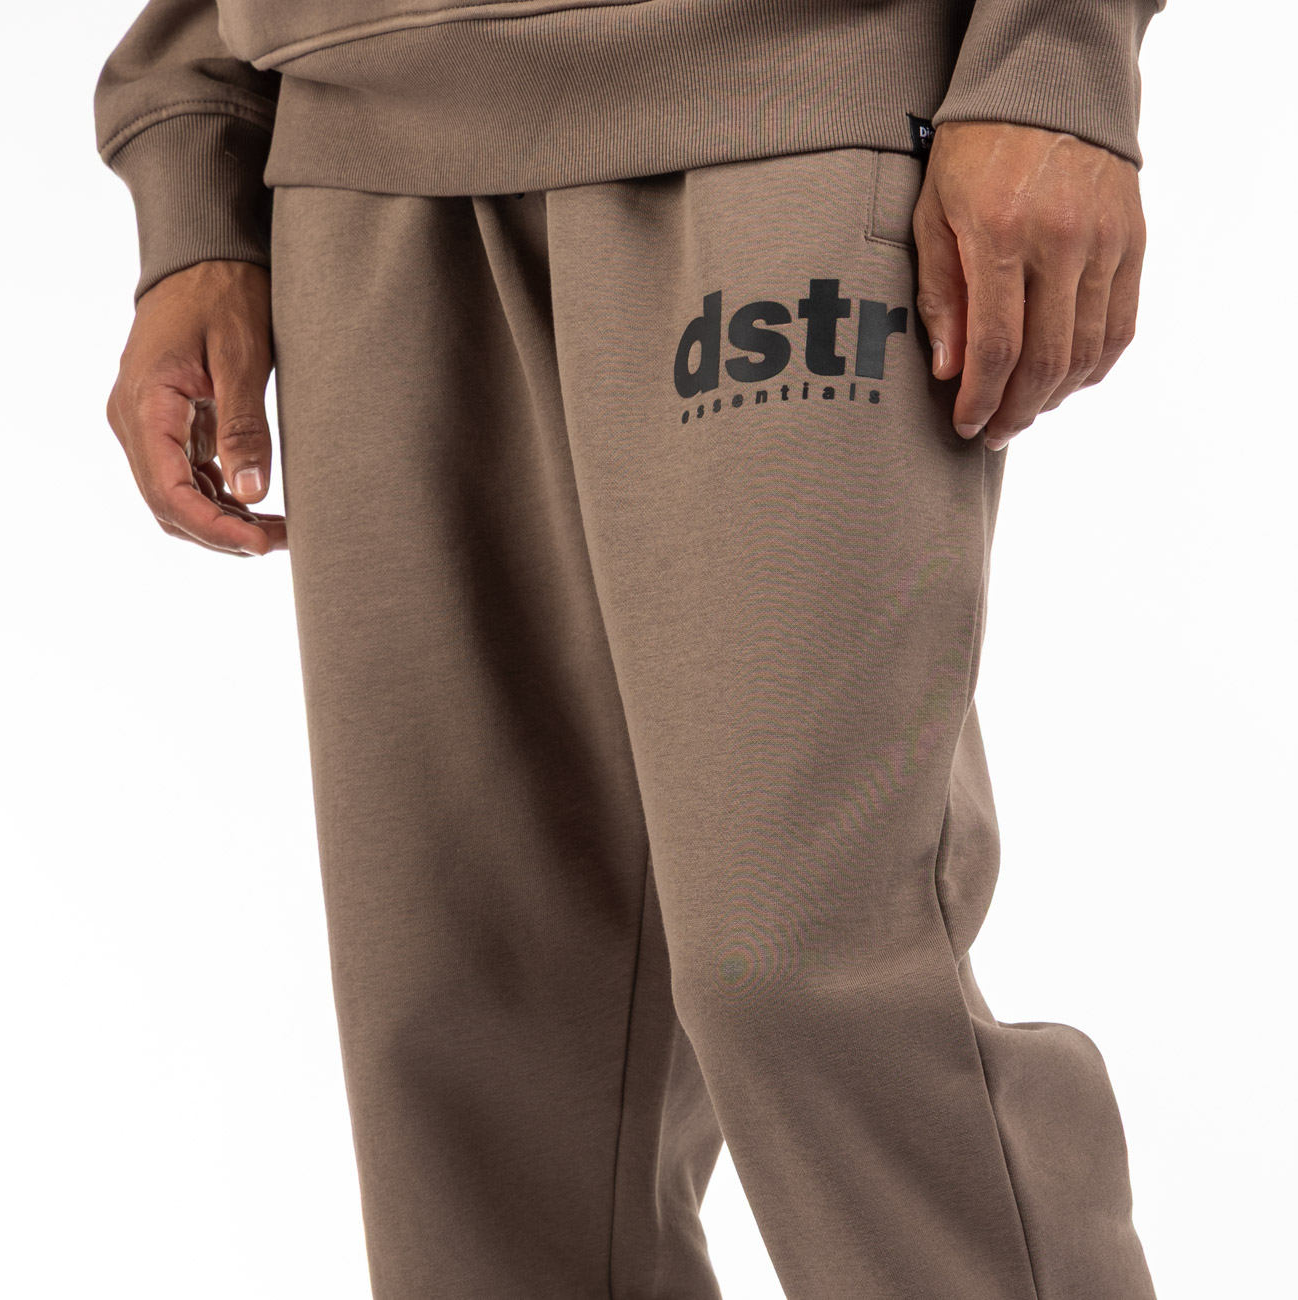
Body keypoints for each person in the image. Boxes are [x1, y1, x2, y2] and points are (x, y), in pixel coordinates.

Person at [94, 2, 1166, 1297]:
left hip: (789, 100)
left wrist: (1054, 61)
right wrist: (197, 178)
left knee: (804, 974)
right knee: (471, 1044)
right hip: (353, 153)